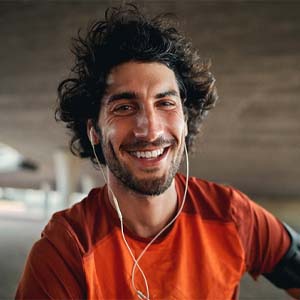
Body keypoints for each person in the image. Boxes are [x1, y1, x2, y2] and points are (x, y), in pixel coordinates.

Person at [16, 4, 300, 300]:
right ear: (94, 132)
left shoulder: (232, 215)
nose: (150, 130)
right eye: (124, 107)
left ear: (186, 121)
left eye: (165, 103)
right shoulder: (66, 250)